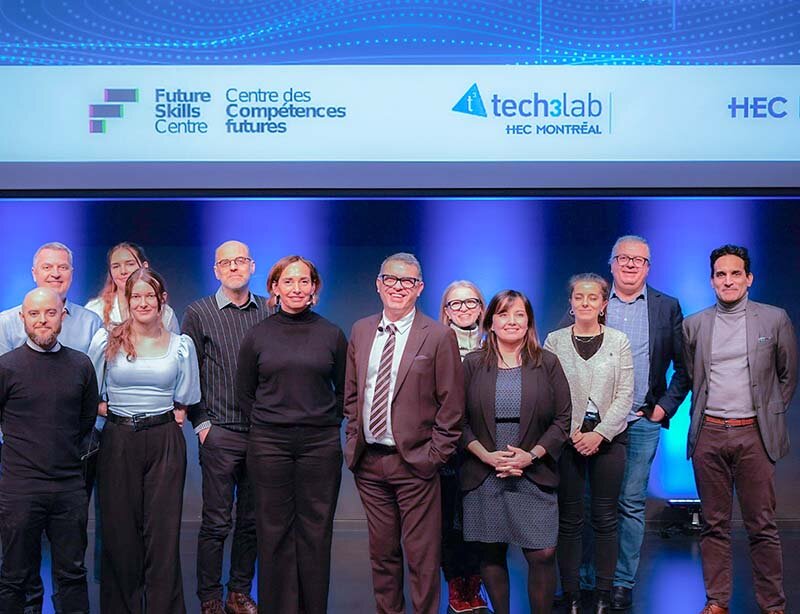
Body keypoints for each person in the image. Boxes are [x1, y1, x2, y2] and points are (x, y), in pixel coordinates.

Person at [556, 235, 690, 609]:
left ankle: (621, 583)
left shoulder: (666, 307)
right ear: (612, 263)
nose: (631, 265)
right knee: (588, 504)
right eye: (624, 258)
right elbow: (562, 355)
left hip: (640, 421)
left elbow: (684, 367)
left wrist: (663, 409)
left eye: (639, 260)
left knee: (630, 504)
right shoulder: (593, 298)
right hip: (589, 427)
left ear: (648, 267)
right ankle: (586, 580)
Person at [344, 252, 464, 614]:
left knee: (421, 557)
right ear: (378, 284)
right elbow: (352, 395)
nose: (399, 287)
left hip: (415, 464)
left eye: (408, 281)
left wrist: (434, 457)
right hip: (370, 463)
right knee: (382, 554)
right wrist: (353, 440)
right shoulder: (361, 330)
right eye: (391, 279)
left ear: (420, 288)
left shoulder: (438, 336)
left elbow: (452, 406)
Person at [682, 244, 797, 614]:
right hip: (709, 433)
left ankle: (773, 603)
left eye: (735, 274)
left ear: (749, 279)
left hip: (754, 435)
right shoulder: (694, 324)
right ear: (712, 281)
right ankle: (717, 600)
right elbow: (691, 376)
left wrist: (768, 416)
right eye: (721, 274)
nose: (728, 280)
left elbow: (787, 376)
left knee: (761, 524)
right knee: (713, 525)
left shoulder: (774, 319)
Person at [237, 255, 347, 614]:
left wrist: (322, 422)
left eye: (304, 281)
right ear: (274, 288)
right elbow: (245, 392)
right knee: (273, 532)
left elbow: (345, 390)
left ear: (314, 288)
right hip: (269, 444)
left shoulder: (331, 334)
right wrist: (273, 422)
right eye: (288, 281)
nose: (296, 288)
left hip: (319, 445)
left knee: (316, 531)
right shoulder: (258, 335)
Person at [88, 268, 200, 614]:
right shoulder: (107, 341)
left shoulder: (181, 346)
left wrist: (169, 414)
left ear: (162, 299)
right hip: (119, 439)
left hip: (164, 440)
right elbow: (90, 393)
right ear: (127, 300)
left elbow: (186, 396)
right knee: (120, 532)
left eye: (149, 295)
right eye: (135, 296)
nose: (143, 302)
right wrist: (112, 410)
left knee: (162, 533)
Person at [0, 242, 102, 613]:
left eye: (50, 313)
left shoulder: (81, 366)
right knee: (14, 574)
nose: (42, 320)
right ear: (23, 318)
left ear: (62, 316)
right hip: (20, 487)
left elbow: (86, 419)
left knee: (71, 574)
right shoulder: (6, 367)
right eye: (34, 314)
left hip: (69, 486)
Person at [460, 289, 572, 614]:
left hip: (533, 470)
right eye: (504, 314)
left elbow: (563, 419)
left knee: (543, 553)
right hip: (484, 472)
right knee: (491, 553)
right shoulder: (472, 363)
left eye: (519, 314)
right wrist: (486, 456)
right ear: (490, 322)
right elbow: (457, 420)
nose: (512, 321)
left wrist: (531, 455)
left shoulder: (547, 363)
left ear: (529, 322)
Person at [183, 241, 269, 614]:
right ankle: (210, 597)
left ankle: (238, 592)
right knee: (217, 522)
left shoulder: (269, 309)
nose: (234, 267)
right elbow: (189, 371)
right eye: (226, 262)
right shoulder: (198, 312)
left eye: (240, 261)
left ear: (252, 266)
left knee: (251, 521)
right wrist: (201, 422)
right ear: (216, 270)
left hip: (262, 433)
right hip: (219, 431)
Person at [544, 273, 633, 614]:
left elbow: (625, 394)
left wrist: (600, 434)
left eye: (593, 297)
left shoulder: (619, 341)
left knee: (605, 517)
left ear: (603, 304)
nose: (585, 302)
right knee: (569, 519)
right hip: (567, 441)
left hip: (609, 441)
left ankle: (603, 594)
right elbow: (548, 393)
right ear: (570, 303)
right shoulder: (554, 341)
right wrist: (573, 433)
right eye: (579, 297)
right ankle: (571, 594)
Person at [438, 281, 491, 614]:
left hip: (487, 446)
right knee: (450, 521)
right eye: (455, 304)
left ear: (481, 307)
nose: (463, 309)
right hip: (449, 446)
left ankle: (476, 583)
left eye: (470, 302)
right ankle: (457, 585)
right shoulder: (434, 343)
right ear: (446, 311)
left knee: (480, 521)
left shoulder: (495, 345)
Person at [85, 241, 180, 332]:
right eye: (116, 266)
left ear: (144, 266)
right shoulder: (95, 310)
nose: (123, 271)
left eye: (130, 264)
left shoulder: (166, 313)